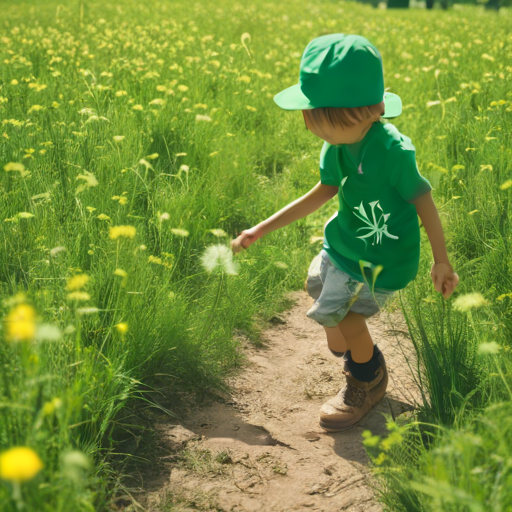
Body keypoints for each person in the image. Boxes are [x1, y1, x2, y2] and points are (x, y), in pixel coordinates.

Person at [230, 33, 459, 432]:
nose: (308, 125)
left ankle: (366, 380)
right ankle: (354, 350)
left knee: (349, 323)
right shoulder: (335, 146)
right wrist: (261, 228)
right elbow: (322, 192)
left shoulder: (393, 154)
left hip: (382, 260)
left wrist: (441, 261)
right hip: (343, 245)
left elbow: (424, 201)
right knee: (320, 292)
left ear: (360, 115)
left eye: (318, 118)